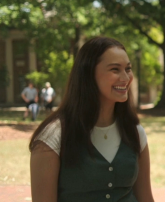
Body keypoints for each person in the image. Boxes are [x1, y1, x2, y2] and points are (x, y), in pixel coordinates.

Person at [29, 37, 154, 202]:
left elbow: (146, 198)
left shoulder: (135, 132)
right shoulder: (53, 136)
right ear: (88, 74)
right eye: (115, 69)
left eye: (128, 69)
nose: (125, 78)